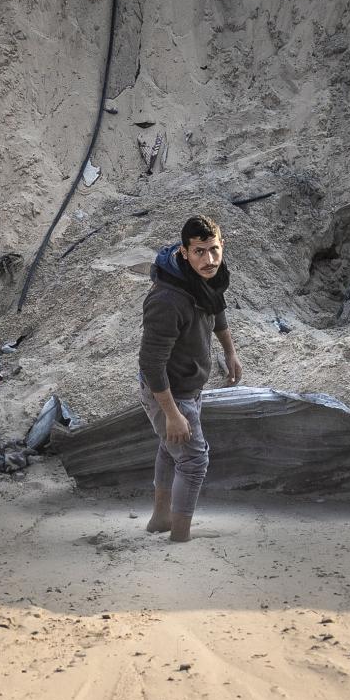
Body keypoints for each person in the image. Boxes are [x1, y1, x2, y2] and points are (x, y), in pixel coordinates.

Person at [138, 215, 241, 542]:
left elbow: (216, 304)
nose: (209, 260)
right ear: (184, 252)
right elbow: (151, 363)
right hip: (166, 390)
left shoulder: (208, 276)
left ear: (221, 246)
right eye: (199, 252)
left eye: (214, 250)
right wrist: (172, 414)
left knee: (172, 450)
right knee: (194, 460)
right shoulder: (167, 301)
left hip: (188, 384)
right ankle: (180, 538)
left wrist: (229, 351)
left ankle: (160, 520)